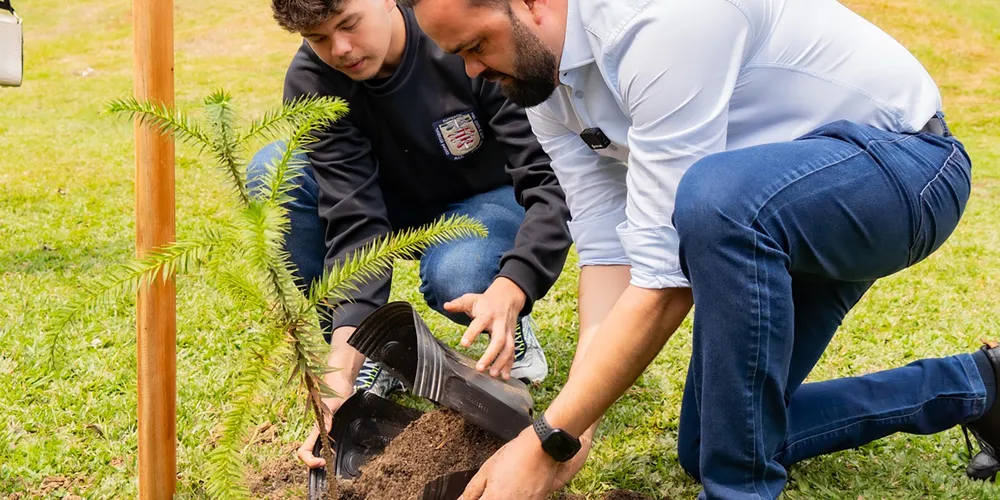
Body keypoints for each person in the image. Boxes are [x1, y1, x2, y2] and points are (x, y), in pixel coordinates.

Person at [396, 0, 999, 498]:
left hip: (903, 172)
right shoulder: (544, 82)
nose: (471, 71)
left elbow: (665, 279)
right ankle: (981, 384)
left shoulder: (657, 21)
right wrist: (577, 425)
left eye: (474, 46)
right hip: (775, 214)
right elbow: (608, 247)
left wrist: (549, 435)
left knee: (709, 198)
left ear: (531, 5)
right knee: (714, 441)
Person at [252, 0, 575, 470]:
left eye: (348, 25)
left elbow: (546, 178)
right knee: (273, 170)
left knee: (459, 272)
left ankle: (506, 324)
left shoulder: (462, 39)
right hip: (386, 205)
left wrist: (515, 283)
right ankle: (371, 356)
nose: (340, 49)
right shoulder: (312, 82)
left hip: (482, 199)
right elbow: (354, 220)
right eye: (319, 38)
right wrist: (342, 369)